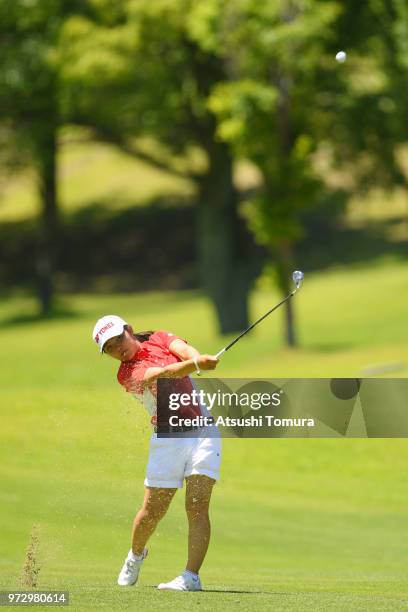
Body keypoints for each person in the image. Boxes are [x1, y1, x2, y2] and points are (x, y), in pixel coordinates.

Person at [92, 314, 222, 592]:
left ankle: (191, 576)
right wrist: (196, 364)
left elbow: (183, 351)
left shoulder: (159, 337)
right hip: (168, 439)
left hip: (204, 432)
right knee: (152, 512)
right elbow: (162, 375)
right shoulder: (125, 374)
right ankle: (136, 555)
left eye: (119, 340)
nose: (118, 349)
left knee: (197, 505)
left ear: (129, 330)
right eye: (111, 348)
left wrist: (198, 359)